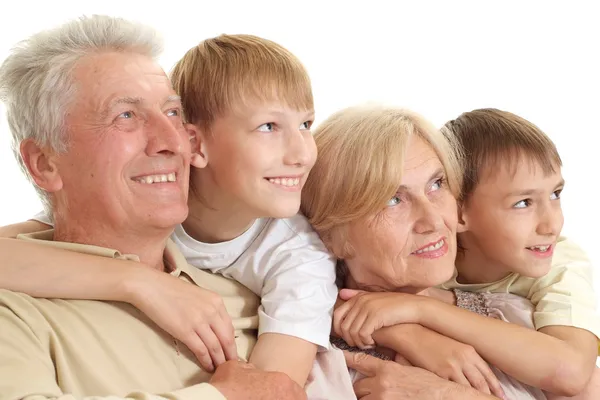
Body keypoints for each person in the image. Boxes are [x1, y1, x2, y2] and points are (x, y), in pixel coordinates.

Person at [0, 32, 338, 386]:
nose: (172, 140)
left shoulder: (291, 267)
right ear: (45, 164)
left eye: (172, 112)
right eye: (126, 115)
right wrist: (138, 282)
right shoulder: (21, 313)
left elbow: (274, 390)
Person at [300, 104, 598, 399]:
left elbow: (570, 373)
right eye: (393, 199)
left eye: (437, 184)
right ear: (330, 237)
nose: (435, 221)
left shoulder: (519, 316)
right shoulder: (304, 360)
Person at [440, 108, 600, 398]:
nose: (552, 224)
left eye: (555, 194)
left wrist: (429, 307)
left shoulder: (562, 263)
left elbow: (573, 372)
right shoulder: (425, 258)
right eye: (524, 203)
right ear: (458, 212)